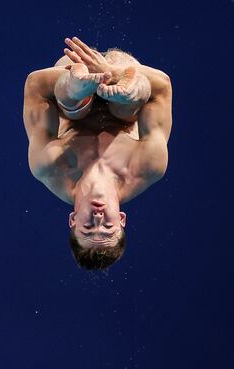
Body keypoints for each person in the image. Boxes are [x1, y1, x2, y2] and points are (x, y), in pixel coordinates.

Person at [23, 37, 173, 269]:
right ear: (122, 220)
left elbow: (35, 86)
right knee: (127, 103)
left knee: (71, 105)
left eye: (88, 227)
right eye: (107, 227)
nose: (98, 218)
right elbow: (162, 88)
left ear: (72, 221)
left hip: (74, 88)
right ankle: (117, 91)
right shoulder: (148, 167)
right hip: (125, 90)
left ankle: (76, 89)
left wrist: (74, 87)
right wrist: (112, 73)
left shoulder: (49, 166)